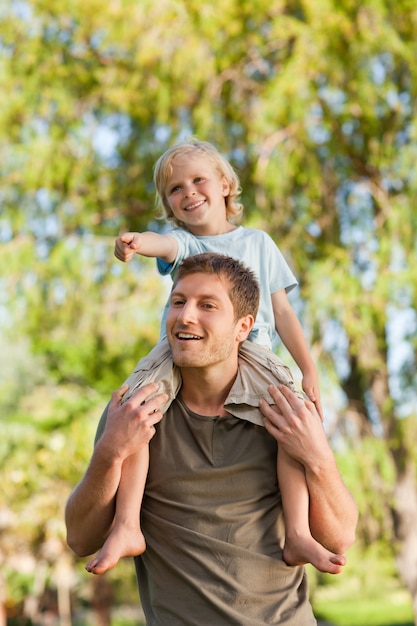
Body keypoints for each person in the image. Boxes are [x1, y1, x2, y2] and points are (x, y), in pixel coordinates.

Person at [65, 253, 358, 625]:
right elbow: (79, 539)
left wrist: (319, 459)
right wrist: (110, 451)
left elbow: (340, 539)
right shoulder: (135, 412)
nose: (185, 316)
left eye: (207, 305)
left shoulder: (282, 411)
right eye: (178, 302)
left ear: (243, 327)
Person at [87, 139, 328, 576]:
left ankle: (296, 532)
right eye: (175, 189)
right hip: (185, 349)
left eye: (198, 180)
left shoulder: (258, 242)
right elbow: (161, 244)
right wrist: (134, 242)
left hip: (254, 350)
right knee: (139, 410)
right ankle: (126, 525)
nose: (188, 192)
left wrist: (308, 370)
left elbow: (285, 313)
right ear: (169, 205)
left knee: (289, 423)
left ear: (224, 185)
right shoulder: (182, 242)